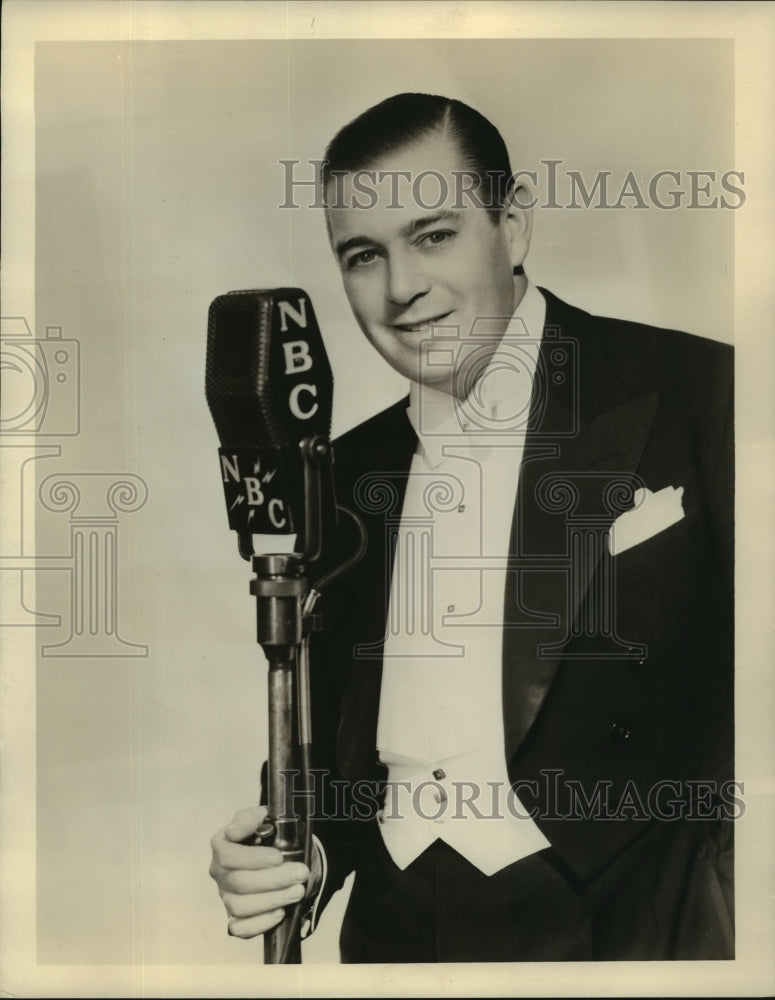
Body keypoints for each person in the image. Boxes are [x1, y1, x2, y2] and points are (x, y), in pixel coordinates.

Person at [209, 93, 734, 962]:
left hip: (637, 930)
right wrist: (297, 853)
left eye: (433, 235)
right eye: (363, 255)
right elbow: (334, 751)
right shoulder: (342, 471)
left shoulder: (704, 391)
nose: (400, 288)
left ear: (512, 224)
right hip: (393, 938)